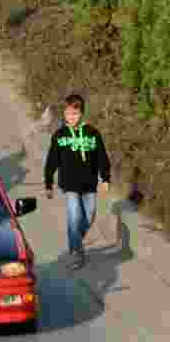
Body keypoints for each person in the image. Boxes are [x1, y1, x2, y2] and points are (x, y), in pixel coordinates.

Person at [44, 94, 111, 270]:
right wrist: (48, 183)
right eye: (68, 114)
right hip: (70, 185)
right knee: (74, 217)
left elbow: (102, 157)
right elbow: (52, 160)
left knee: (88, 217)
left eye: (75, 113)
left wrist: (105, 178)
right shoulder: (59, 135)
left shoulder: (92, 133)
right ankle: (76, 252)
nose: (71, 117)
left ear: (81, 113)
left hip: (89, 185)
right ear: (64, 114)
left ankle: (75, 239)